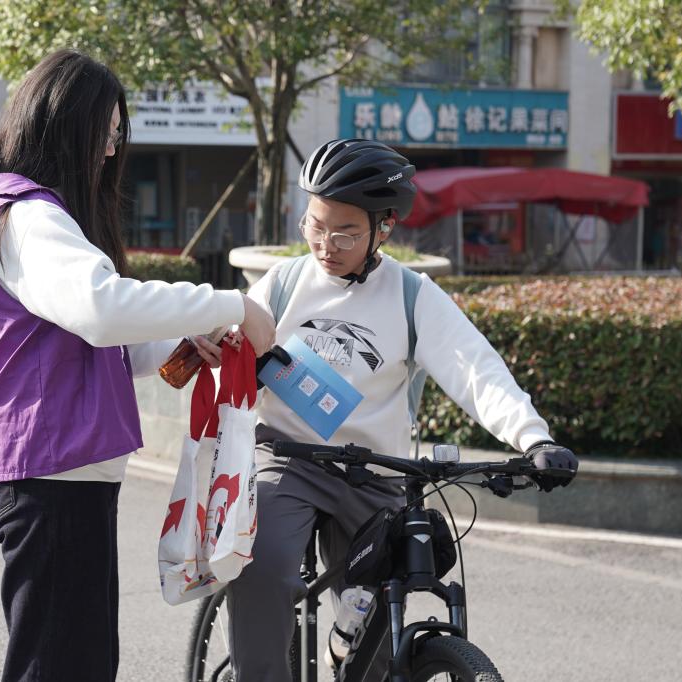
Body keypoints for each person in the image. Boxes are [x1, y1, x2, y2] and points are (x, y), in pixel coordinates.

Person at [0, 49, 275, 682]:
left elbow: (95, 338)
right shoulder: (27, 215)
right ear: (68, 128)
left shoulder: (21, 210)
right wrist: (230, 303)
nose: (111, 152)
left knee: (70, 662)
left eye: (116, 136)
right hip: (54, 470)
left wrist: (180, 340)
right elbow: (101, 309)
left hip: (60, 468)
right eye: (106, 135)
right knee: (62, 665)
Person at [211, 138, 578, 681]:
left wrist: (533, 438)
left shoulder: (411, 296)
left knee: (382, 622)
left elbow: (474, 368)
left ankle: (352, 646)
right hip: (288, 461)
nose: (326, 244)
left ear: (383, 228)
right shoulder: (285, 284)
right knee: (261, 564)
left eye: (345, 232)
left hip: (375, 472)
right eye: (315, 225)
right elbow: (228, 348)